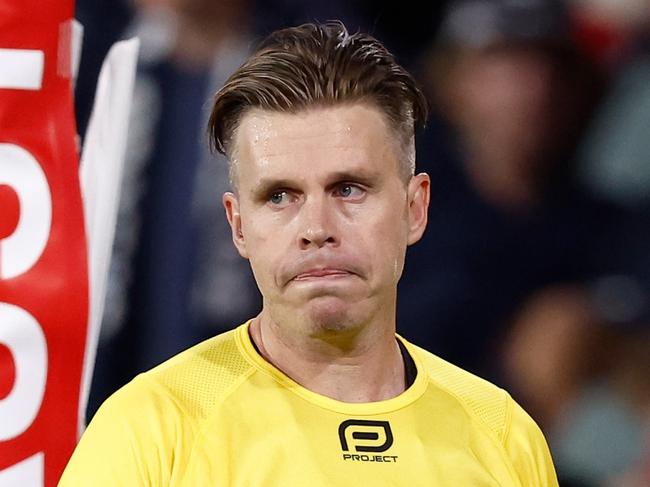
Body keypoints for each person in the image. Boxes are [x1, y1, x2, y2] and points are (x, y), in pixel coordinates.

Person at [59, 21, 558, 485]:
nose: (316, 228)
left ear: (415, 208)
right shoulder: (149, 429)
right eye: (279, 196)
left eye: (348, 189)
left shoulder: (505, 438)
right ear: (238, 226)